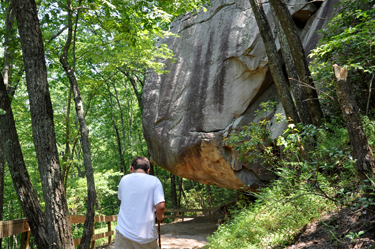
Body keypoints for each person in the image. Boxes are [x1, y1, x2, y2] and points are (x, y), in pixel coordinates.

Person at [115, 156, 165, 249]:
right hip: (146, 236)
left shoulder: (124, 179)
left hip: (123, 233)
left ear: (132, 168)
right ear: (148, 170)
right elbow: (161, 206)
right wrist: (160, 217)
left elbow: (124, 199)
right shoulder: (155, 181)